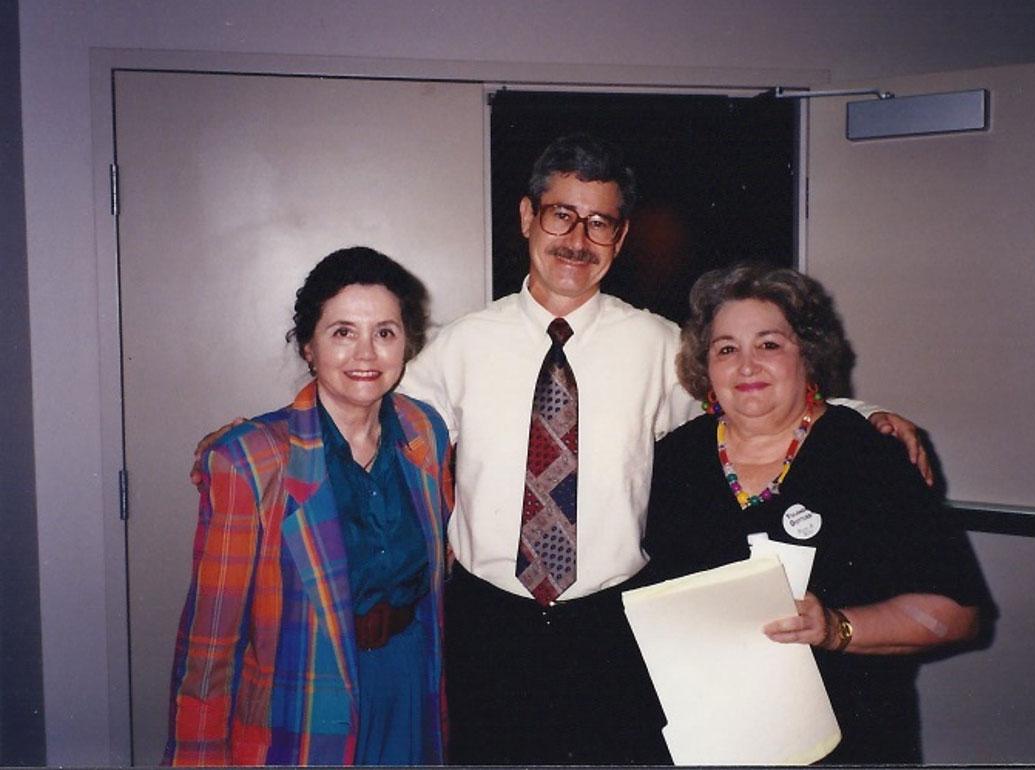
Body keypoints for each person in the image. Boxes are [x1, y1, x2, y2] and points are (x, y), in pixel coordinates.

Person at [190, 134, 930, 765]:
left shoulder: (661, 346)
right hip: (485, 625)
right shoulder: (456, 347)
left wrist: (863, 414)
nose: (577, 239)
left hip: (611, 630)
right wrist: (250, 437)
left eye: (600, 223)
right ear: (527, 216)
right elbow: (355, 390)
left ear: (621, 236)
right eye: (560, 215)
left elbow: (750, 396)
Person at [642, 264, 993, 764]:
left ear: (805, 354)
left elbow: (959, 615)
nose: (746, 366)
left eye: (768, 344)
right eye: (726, 348)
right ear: (706, 366)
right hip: (708, 739)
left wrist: (836, 627)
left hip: (849, 738)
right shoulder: (675, 459)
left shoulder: (867, 455)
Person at [164, 247, 454, 766]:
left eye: (384, 332)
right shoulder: (250, 459)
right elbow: (210, 645)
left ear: (405, 344)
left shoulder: (425, 432)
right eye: (343, 332)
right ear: (308, 347)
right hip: (304, 702)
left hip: (409, 685)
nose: (366, 354)